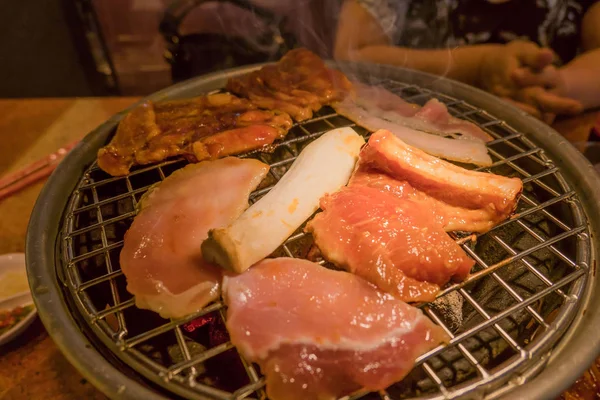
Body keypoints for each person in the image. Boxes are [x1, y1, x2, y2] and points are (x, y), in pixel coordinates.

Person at [334, 0, 600, 123]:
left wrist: (559, 85)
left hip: (545, 134)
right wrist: (477, 67)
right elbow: (353, 52)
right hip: (404, 120)